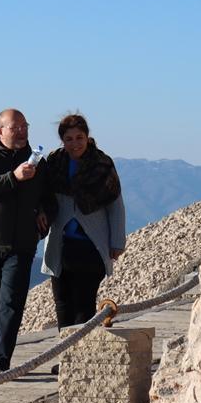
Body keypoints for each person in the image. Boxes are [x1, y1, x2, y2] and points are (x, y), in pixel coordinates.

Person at [0, 108, 53, 374]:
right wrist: (13, 177)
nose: (22, 131)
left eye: (25, 126)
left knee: (11, 303)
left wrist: (44, 212)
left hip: (22, 245)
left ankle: (1, 362)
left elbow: (50, 197)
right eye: (15, 127)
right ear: (0, 131)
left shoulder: (39, 162)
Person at [42, 113, 126, 328]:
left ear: (87, 137)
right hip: (60, 243)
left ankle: (76, 355)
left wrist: (117, 241)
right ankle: (64, 356)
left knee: (83, 304)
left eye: (79, 137)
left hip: (91, 244)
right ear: (63, 140)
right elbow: (43, 195)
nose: (75, 143)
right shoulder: (54, 162)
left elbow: (115, 204)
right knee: (62, 302)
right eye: (69, 139)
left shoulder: (102, 164)